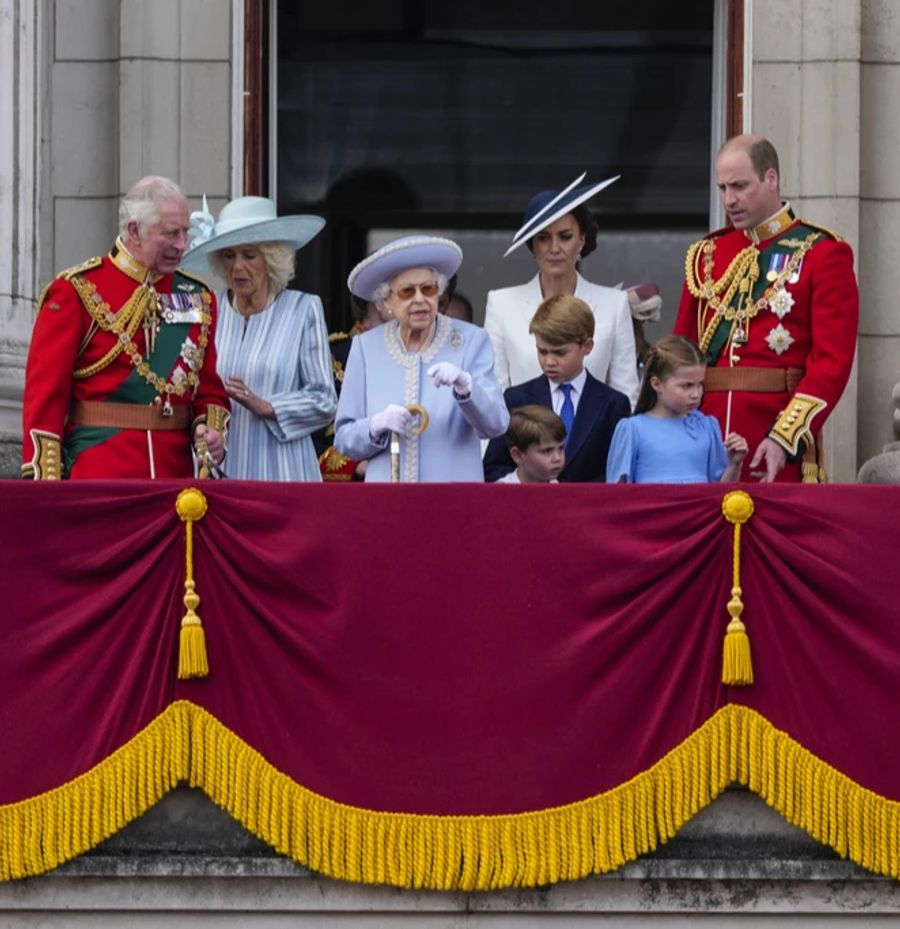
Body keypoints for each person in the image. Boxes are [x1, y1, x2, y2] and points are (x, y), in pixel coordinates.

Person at [673, 134, 859, 483]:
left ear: (770, 178)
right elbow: (679, 354)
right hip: (701, 442)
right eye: (723, 188)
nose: (730, 200)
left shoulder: (822, 253)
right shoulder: (706, 255)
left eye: (740, 186)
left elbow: (831, 363)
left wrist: (784, 438)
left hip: (772, 440)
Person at [21, 176, 230, 480]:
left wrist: (209, 430)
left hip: (176, 481)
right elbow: (45, 398)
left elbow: (209, 389)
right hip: (98, 476)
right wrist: (46, 484)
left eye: (186, 232)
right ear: (134, 230)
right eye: (171, 233)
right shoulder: (77, 291)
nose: (182, 244)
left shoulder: (198, 297)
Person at [183, 195, 337, 481]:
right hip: (219, 471)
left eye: (249, 255)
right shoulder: (206, 310)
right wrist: (201, 427)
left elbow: (325, 400)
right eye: (229, 255)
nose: (238, 267)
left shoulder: (303, 310)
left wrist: (268, 406)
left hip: (284, 472)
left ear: (271, 259)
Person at [334, 235, 509, 482]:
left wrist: (466, 387)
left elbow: (496, 425)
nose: (420, 299)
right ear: (386, 302)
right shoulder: (365, 347)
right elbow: (344, 439)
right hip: (389, 502)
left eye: (428, 289)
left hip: (452, 501)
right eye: (407, 291)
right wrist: (375, 425)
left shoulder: (471, 341)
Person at [484, 173, 639, 407]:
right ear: (532, 244)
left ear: (582, 240)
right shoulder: (501, 303)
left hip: (596, 442)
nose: (554, 248)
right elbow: (493, 398)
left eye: (565, 237)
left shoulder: (614, 304)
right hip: (523, 440)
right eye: (543, 238)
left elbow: (627, 396)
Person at [483, 294, 630, 483]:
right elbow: (494, 467)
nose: (549, 361)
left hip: (589, 509)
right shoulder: (516, 399)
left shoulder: (614, 404)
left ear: (587, 346)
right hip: (531, 507)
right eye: (542, 351)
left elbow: (617, 473)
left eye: (560, 352)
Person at [606, 335, 748, 484]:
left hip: (699, 507)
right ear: (656, 384)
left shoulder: (707, 427)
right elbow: (617, 493)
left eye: (700, 384)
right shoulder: (633, 429)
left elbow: (720, 493)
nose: (696, 394)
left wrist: (734, 464)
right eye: (686, 386)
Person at [315, 293, 392, 481]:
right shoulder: (332, 357)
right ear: (381, 301)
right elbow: (307, 440)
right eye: (405, 291)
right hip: (348, 492)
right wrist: (355, 465)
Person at [496, 406, 566, 484]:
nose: (557, 458)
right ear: (518, 455)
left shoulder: (560, 490)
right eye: (547, 450)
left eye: (561, 448)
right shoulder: (501, 492)